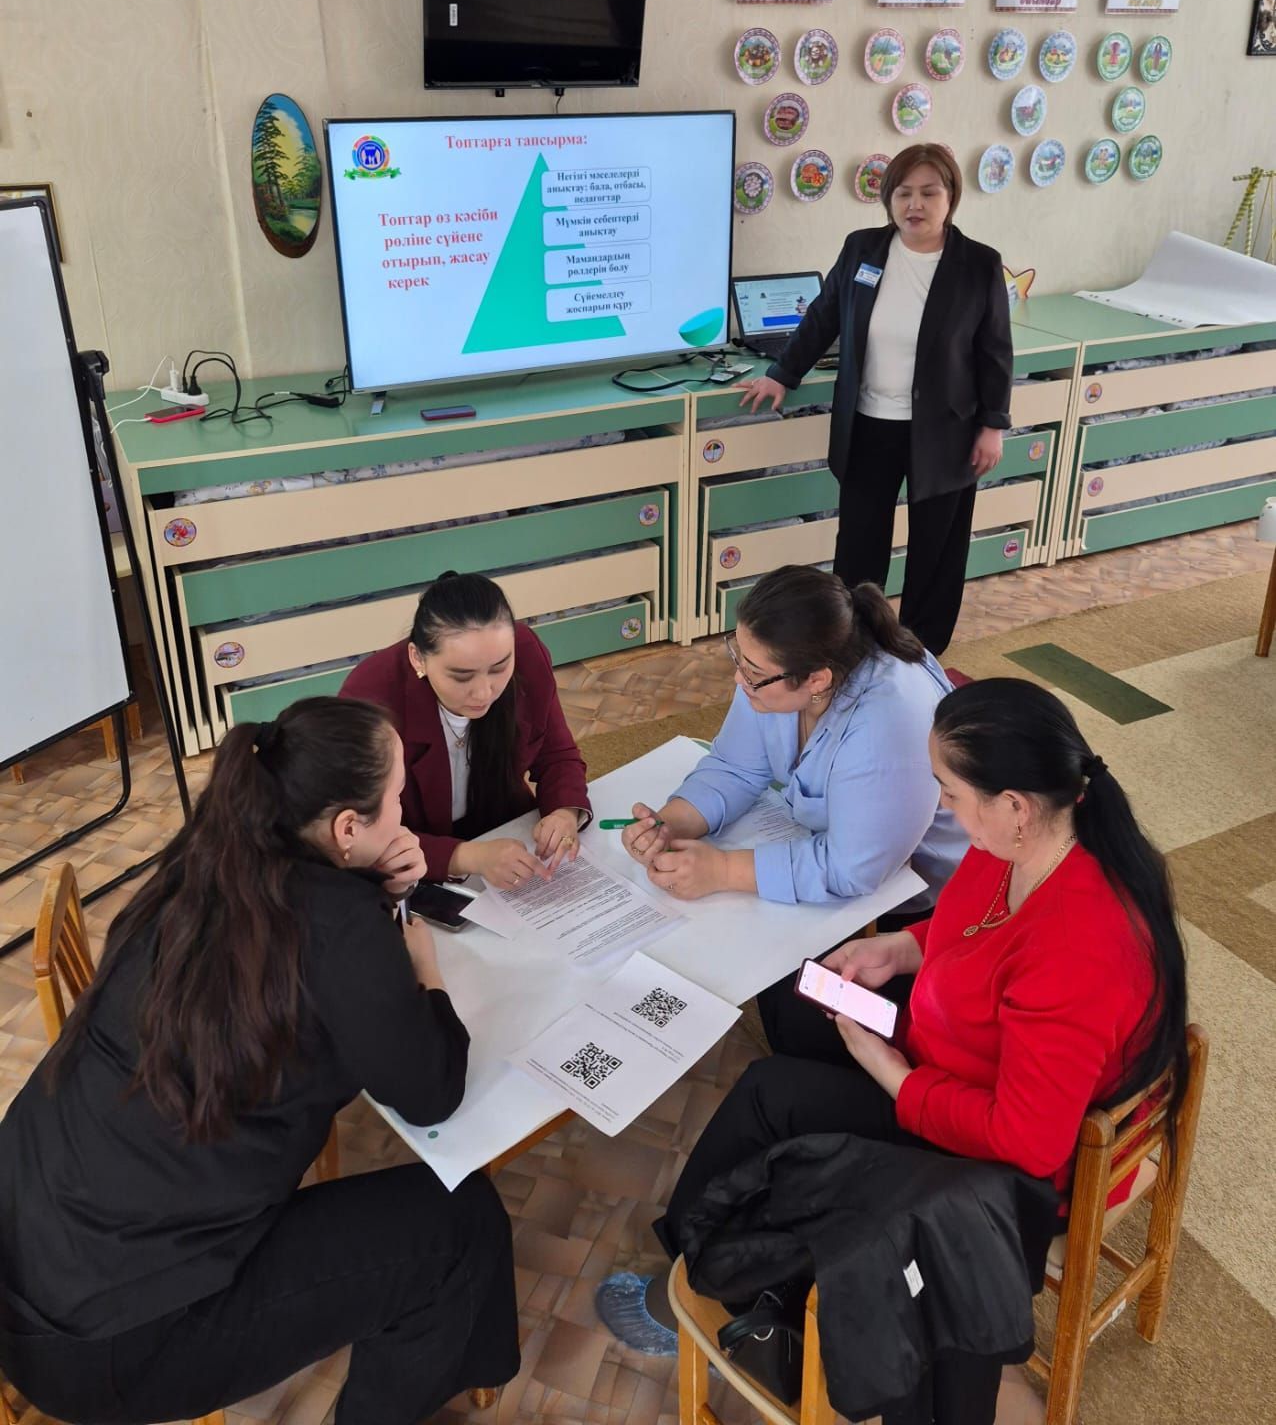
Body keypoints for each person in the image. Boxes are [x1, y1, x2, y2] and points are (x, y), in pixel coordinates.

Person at [657, 677, 1189, 1425]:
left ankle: (698, 1265)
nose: (940, 804)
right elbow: (967, 919)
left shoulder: (1079, 945)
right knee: (795, 1006)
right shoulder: (1024, 842)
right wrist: (902, 950)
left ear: (1014, 805)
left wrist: (896, 1079)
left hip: (997, 1156)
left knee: (771, 1095)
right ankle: (725, 1246)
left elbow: (1027, 1141)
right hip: (958, 1059)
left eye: (950, 791)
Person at [0, 698, 519, 1425]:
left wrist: (371, 886)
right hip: (113, 1344)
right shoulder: (340, 928)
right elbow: (429, 1090)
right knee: (462, 1224)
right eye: (397, 799)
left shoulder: (205, 860)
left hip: (27, 1255)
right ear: (346, 828)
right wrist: (424, 969)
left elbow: (302, 941)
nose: (404, 813)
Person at [738, 143, 1014, 656]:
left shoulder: (979, 264)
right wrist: (782, 374)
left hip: (947, 429)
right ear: (888, 199)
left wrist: (993, 424)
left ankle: (921, 653)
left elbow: (995, 351)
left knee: (937, 548)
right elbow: (824, 315)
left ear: (951, 198)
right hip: (869, 423)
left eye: (929, 192)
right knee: (859, 545)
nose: (915, 204)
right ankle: (854, 644)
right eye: (903, 193)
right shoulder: (863, 248)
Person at [620, 565, 966, 910]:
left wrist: (723, 870)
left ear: (816, 680)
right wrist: (670, 825)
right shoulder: (775, 671)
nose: (739, 678)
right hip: (822, 846)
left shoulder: (888, 726)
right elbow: (735, 767)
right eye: (739, 657)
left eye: (753, 670)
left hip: (918, 895)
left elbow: (852, 868)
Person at [342, 570, 591, 890]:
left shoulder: (527, 652)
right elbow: (361, 836)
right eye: (462, 676)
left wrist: (564, 812)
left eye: (500, 668)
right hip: (415, 863)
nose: (484, 692)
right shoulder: (370, 698)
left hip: (509, 832)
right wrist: (467, 857)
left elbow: (557, 754)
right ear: (417, 658)